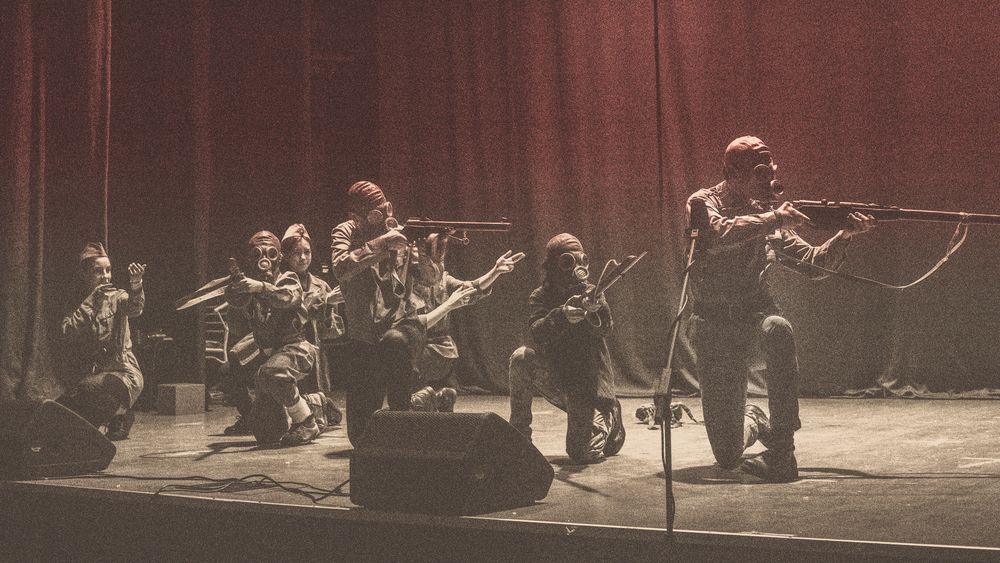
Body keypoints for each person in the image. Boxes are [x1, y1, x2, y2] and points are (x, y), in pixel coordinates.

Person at [686, 135, 876, 482]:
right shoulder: (703, 202)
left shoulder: (767, 214)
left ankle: (782, 452)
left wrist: (845, 235)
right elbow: (717, 234)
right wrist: (774, 219)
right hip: (715, 327)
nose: (768, 180)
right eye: (759, 172)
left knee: (778, 329)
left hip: (755, 318)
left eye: (770, 171)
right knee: (727, 454)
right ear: (730, 173)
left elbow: (814, 264)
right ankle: (755, 418)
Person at [331, 180, 481, 446]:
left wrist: (427, 252)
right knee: (360, 437)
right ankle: (425, 402)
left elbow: (431, 279)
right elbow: (341, 267)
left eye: (385, 209)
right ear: (359, 216)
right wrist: (382, 244)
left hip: (403, 327)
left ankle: (405, 419)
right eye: (376, 214)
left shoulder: (400, 237)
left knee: (395, 342)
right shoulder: (346, 231)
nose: (385, 217)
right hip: (364, 337)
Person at [508, 233, 625, 464]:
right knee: (521, 357)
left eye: (580, 259)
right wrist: (562, 316)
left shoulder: (593, 292)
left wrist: (595, 309)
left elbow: (605, 329)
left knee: (581, 453)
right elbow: (537, 333)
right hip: (560, 380)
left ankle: (609, 416)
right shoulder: (540, 296)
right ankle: (519, 438)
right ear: (552, 266)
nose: (576, 267)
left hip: (587, 386)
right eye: (567, 261)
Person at [225, 231, 325, 447]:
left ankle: (307, 421)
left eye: (271, 254)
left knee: (272, 372)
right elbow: (237, 327)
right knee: (266, 433)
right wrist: (236, 297)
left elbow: (288, 297)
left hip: (295, 349)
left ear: (279, 257)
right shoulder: (250, 289)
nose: (264, 261)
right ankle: (309, 405)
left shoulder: (288, 279)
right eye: (257, 254)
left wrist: (261, 287)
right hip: (269, 358)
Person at [407, 233, 525, 412]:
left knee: (432, 399)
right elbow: (416, 325)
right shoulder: (404, 284)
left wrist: (495, 271)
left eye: (438, 259)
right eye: (427, 259)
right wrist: (448, 305)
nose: (434, 266)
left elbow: (472, 288)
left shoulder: (442, 281)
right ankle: (428, 399)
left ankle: (432, 400)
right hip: (414, 352)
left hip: (439, 352)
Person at [57, 242, 146, 441]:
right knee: (64, 407)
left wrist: (136, 284)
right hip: (93, 374)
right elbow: (66, 332)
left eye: (108, 270)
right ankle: (118, 416)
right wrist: (90, 303)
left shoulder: (117, 296)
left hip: (124, 373)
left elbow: (135, 308)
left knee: (89, 388)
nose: (106, 276)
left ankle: (119, 412)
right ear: (84, 274)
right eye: (98, 271)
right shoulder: (77, 303)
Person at [280, 224, 343, 426]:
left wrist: (328, 308)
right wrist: (321, 302)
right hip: (287, 352)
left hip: (314, 356)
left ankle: (318, 406)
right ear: (286, 256)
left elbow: (333, 332)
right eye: (296, 253)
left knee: (317, 411)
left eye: (307, 252)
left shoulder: (321, 286)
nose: (303, 258)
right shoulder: (280, 284)